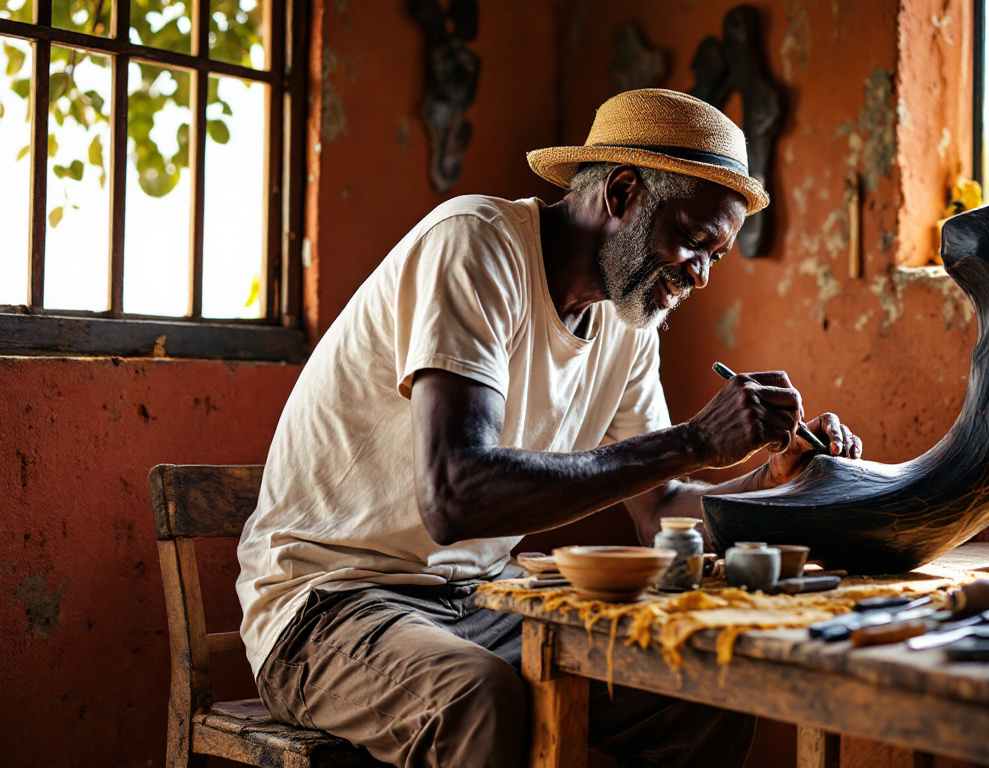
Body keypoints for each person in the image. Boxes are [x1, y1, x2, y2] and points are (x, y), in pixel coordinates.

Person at [236, 88, 863, 768]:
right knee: (477, 699)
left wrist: (771, 482)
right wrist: (695, 440)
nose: (702, 274)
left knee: (701, 691)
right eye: (692, 239)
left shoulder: (627, 323)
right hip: (327, 605)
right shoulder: (475, 244)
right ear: (623, 193)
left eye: (717, 255)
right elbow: (454, 498)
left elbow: (661, 515)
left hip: (478, 601)